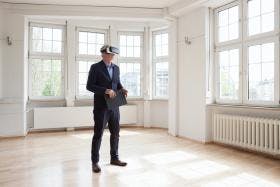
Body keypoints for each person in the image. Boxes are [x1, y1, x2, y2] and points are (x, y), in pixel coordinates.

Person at [86, 45, 128, 173]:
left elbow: (117, 83)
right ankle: (95, 162)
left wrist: (122, 89)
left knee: (115, 133)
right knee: (98, 134)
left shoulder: (116, 68)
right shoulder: (95, 68)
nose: (112, 57)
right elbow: (89, 86)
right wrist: (105, 90)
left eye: (113, 55)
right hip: (101, 107)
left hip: (114, 106)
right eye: (110, 54)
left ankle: (114, 158)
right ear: (103, 54)